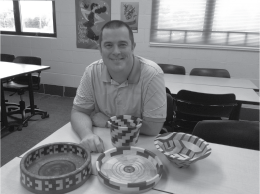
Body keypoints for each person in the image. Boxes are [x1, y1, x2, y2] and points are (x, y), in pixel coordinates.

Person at [71, 20, 166, 153]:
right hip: (103, 145)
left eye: (122, 45)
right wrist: (87, 134)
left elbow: (153, 127)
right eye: (108, 45)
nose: (116, 52)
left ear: (132, 47)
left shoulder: (152, 74)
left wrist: (108, 122)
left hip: (139, 146)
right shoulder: (91, 72)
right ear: (100, 49)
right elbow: (79, 112)